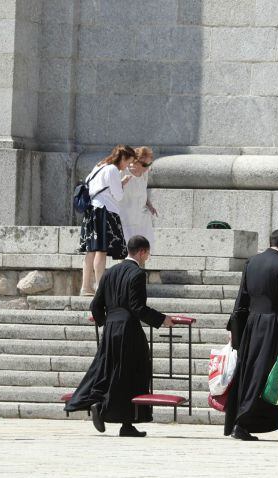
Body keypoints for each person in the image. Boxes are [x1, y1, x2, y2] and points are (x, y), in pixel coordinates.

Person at [65, 235, 175, 437]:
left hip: (111, 329)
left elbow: (95, 305)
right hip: (129, 330)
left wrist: (105, 322)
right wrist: (162, 319)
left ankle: (119, 418)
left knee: (110, 370)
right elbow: (137, 307)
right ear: (141, 251)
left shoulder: (109, 272)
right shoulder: (137, 274)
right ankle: (121, 417)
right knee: (134, 373)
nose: (147, 257)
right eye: (147, 253)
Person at [224, 229, 278, 441]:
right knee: (264, 373)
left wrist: (233, 330)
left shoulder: (252, 262)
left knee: (250, 370)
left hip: (251, 324)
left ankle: (241, 421)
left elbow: (241, 298)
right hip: (271, 324)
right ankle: (243, 422)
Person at [78, 145, 136, 296]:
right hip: (104, 211)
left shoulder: (99, 165)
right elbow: (118, 196)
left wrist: (118, 183)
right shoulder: (112, 170)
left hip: (92, 211)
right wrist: (122, 184)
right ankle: (100, 288)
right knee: (101, 251)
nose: (126, 166)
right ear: (122, 158)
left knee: (91, 250)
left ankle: (86, 287)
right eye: (127, 162)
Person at [119, 146, 158, 247]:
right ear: (136, 161)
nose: (147, 167)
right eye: (144, 164)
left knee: (143, 246)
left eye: (149, 164)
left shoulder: (145, 174)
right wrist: (122, 183)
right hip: (126, 216)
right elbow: (113, 190)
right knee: (127, 246)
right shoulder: (123, 172)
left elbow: (143, 191)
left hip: (141, 217)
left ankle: (140, 263)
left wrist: (150, 205)